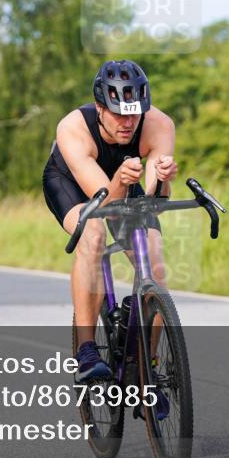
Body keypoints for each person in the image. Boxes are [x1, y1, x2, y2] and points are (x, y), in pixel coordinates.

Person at [42, 60, 178, 385]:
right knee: (93, 233)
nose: (128, 122)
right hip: (72, 183)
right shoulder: (72, 128)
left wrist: (161, 181)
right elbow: (106, 204)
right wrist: (118, 180)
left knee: (156, 265)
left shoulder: (159, 125)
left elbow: (151, 203)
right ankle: (87, 352)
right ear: (100, 107)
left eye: (134, 113)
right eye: (118, 113)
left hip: (122, 180)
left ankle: (146, 365)